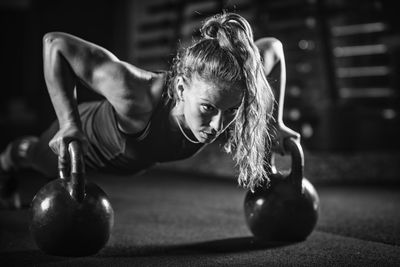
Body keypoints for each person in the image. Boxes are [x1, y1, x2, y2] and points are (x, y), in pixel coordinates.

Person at [0, 12, 298, 209]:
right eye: (207, 108)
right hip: (89, 139)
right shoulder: (136, 94)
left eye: (231, 110)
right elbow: (54, 43)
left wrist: (279, 123)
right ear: (181, 89)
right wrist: (68, 123)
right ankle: (7, 159)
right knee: (35, 158)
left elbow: (274, 47)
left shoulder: (227, 89)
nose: (219, 123)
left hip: (134, 160)